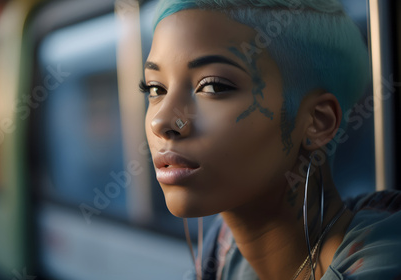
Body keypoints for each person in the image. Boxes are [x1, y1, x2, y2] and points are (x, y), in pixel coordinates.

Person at [140, 0, 401, 279]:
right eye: (156, 88)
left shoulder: (386, 262)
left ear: (318, 121)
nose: (162, 121)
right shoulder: (222, 246)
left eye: (213, 86)